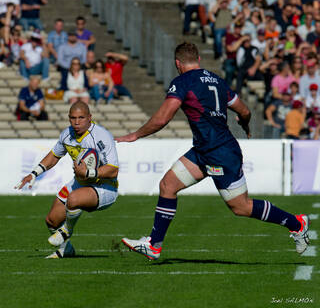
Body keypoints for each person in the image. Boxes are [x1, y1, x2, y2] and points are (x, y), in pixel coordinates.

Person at [116, 42, 310, 260]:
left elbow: (162, 118)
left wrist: (135, 135)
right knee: (168, 185)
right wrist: (245, 123)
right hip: (204, 150)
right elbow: (244, 110)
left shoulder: (182, 81)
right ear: (198, 59)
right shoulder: (217, 80)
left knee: (241, 207)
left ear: (177, 63)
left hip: (219, 152)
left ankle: (297, 223)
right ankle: (154, 245)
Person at [15, 101, 119, 259]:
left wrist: (89, 173)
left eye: (81, 118)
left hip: (104, 187)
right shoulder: (67, 134)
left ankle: (67, 231)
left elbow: (113, 170)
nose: (76, 122)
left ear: (90, 118)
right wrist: (34, 173)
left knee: (73, 199)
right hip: (80, 182)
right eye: (73, 118)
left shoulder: (101, 136)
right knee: (51, 220)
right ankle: (66, 249)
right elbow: (54, 156)